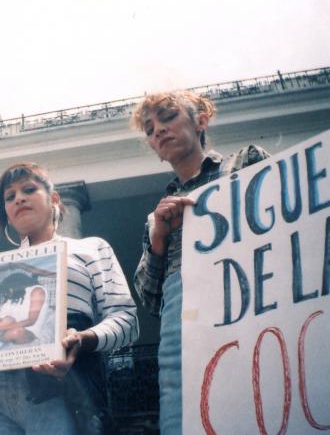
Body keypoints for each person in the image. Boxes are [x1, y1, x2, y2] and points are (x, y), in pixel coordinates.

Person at [0, 162, 139, 435]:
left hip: (61, 385)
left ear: (54, 199)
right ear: (7, 215)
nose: (19, 198)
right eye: (9, 197)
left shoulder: (90, 247)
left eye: (29, 189)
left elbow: (126, 320)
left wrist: (82, 339)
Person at [129, 90, 269, 434]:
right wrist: (159, 238)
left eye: (168, 118)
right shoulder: (156, 216)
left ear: (201, 121)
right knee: (185, 409)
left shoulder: (244, 163)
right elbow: (150, 300)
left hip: (250, 294)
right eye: (149, 129)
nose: (158, 130)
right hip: (185, 313)